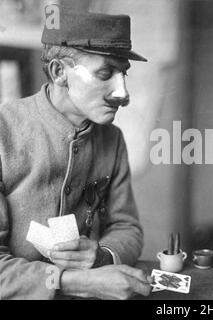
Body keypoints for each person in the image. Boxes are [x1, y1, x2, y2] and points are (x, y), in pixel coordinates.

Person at [0, 6, 152, 299]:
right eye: (105, 73)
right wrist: (77, 281)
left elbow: (127, 227)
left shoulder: (113, 139)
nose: (123, 94)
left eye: (123, 74)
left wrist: (103, 257)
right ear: (59, 73)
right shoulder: (3, 131)